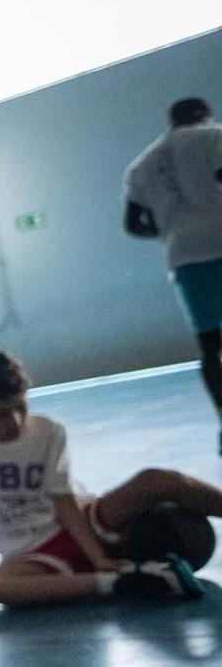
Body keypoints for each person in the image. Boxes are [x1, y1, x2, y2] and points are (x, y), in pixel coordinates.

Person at [0, 350, 217, 606]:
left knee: (156, 479)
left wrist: (98, 556)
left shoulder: (49, 431)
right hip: (32, 555)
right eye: (1, 415)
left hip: (86, 522)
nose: (16, 421)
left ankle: (107, 572)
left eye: (21, 407)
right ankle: (127, 582)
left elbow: (63, 500)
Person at [124, 96, 222, 451]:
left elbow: (132, 223)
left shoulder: (142, 165)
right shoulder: (212, 136)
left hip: (184, 254)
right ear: (203, 115)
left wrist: (168, 231)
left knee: (210, 346)